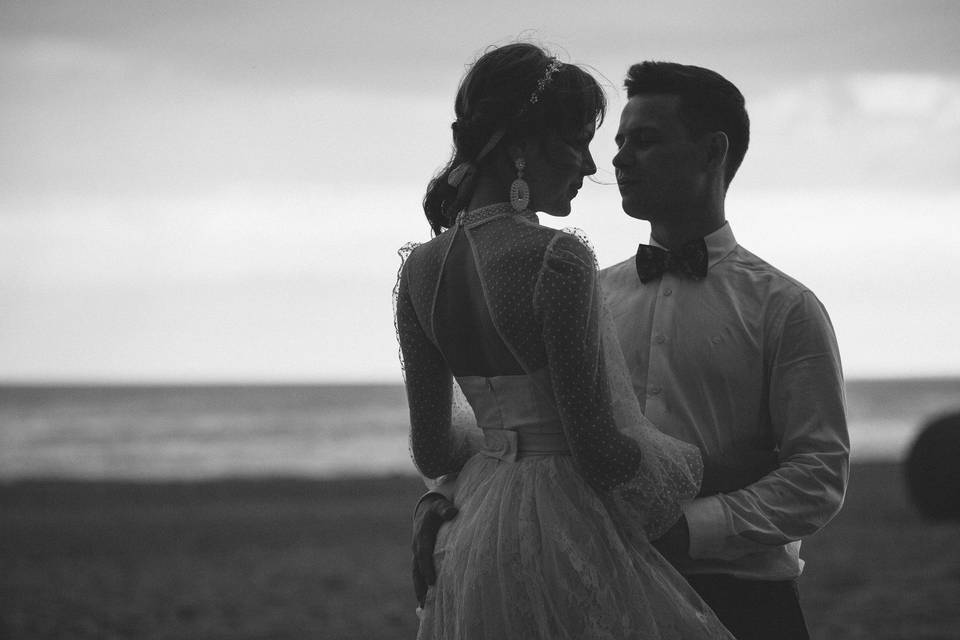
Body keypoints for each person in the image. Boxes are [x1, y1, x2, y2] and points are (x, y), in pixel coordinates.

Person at [396, 43, 735, 638]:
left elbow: (433, 451)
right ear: (522, 147)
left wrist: (498, 446)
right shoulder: (557, 258)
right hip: (559, 533)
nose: (591, 165)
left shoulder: (419, 272)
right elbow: (599, 453)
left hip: (474, 533)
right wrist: (694, 465)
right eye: (579, 140)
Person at [599, 61, 850, 639]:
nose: (619, 159)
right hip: (608, 596)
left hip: (745, 605)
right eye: (620, 141)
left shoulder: (786, 307)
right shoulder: (589, 297)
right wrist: (441, 500)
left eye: (646, 140)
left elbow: (818, 473)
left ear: (713, 152)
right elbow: (530, 432)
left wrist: (691, 528)